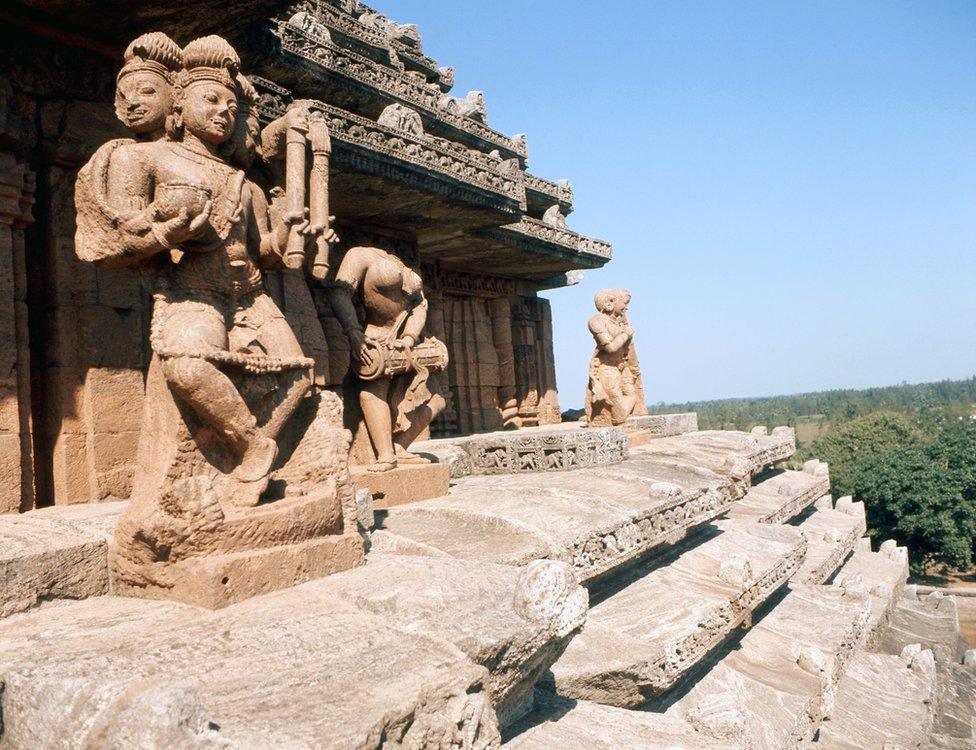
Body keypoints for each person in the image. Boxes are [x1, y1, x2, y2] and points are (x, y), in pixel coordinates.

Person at [76, 35, 314, 502]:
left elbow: (263, 252)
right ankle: (250, 445)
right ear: (179, 104)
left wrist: (286, 230)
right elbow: (111, 242)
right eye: (211, 99)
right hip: (193, 294)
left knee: (299, 375)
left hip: (251, 298)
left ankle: (232, 448)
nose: (224, 111)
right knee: (186, 367)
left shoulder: (243, 184)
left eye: (231, 104)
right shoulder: (141, 158)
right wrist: (168, 234)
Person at [328, 246, 446, 471]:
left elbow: (420, 304)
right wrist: (353, 331)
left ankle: (399, 446)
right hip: (376, 340)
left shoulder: (398, 259)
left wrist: (410, 337)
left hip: (409, 342)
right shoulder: (359, 254)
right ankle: (386, 455)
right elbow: (339, 292)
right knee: (373, 393)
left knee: (437, 399)